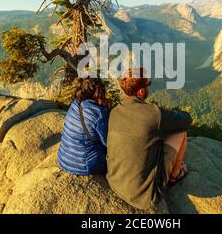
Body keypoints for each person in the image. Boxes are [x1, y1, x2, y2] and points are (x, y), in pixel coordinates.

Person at [106, 68, 191, 210]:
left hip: (114, 182)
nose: (150, 86)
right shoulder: (152, 114)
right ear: (141, 91)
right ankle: (175, 175)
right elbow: (186, 120)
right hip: (144, 196)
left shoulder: (114, 112)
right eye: (149, 83)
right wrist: (173, 115)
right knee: (181, 132)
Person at [58, 78, 109, 176]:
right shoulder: (99, 113)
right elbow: (107, 141)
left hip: (63, 160)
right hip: (85, 165)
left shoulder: (75, 104)